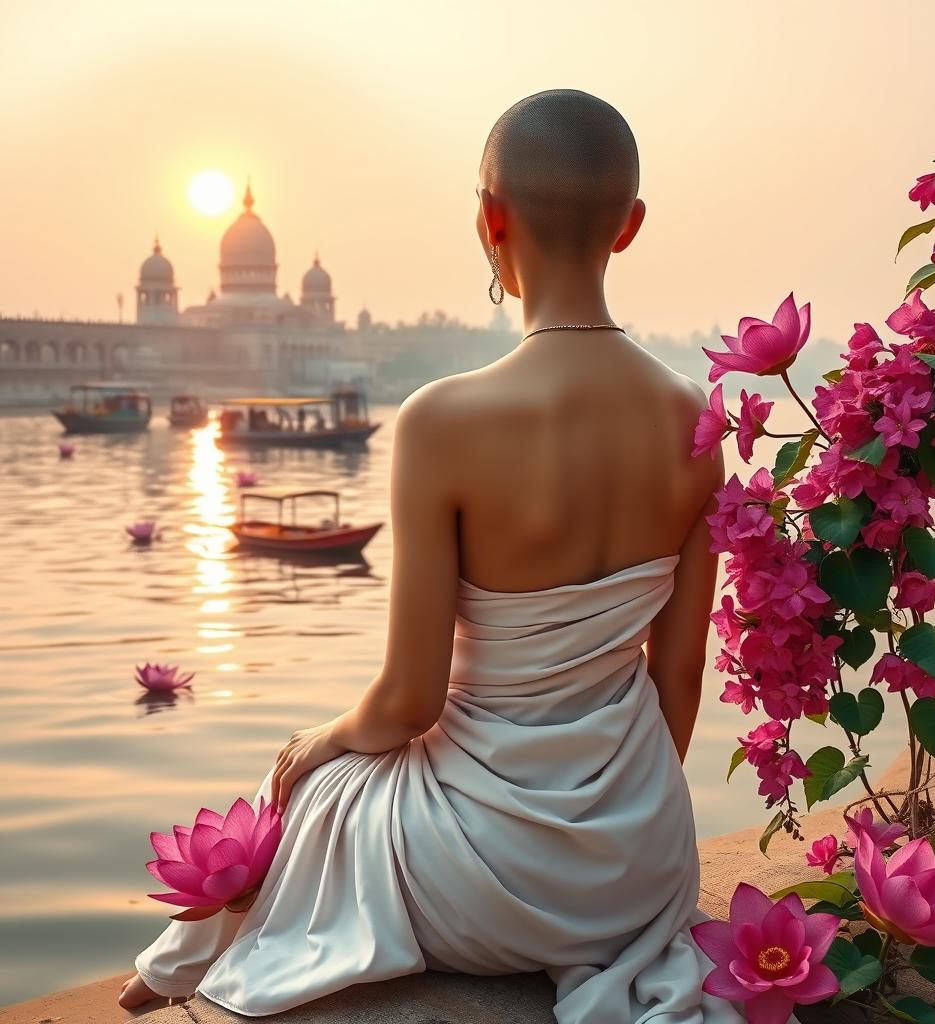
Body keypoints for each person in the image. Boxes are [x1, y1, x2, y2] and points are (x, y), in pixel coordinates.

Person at [119, 89, 738, 1023]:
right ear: (631, 227)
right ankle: (169, 968)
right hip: (636, 869)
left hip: (478, 880)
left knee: (315, 779)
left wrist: (316, 745)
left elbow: (406, 702)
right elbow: (680, 675)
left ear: (489, 219)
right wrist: (622, 828)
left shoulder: (443, 419)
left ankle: (163, 974)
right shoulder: (696, 414)